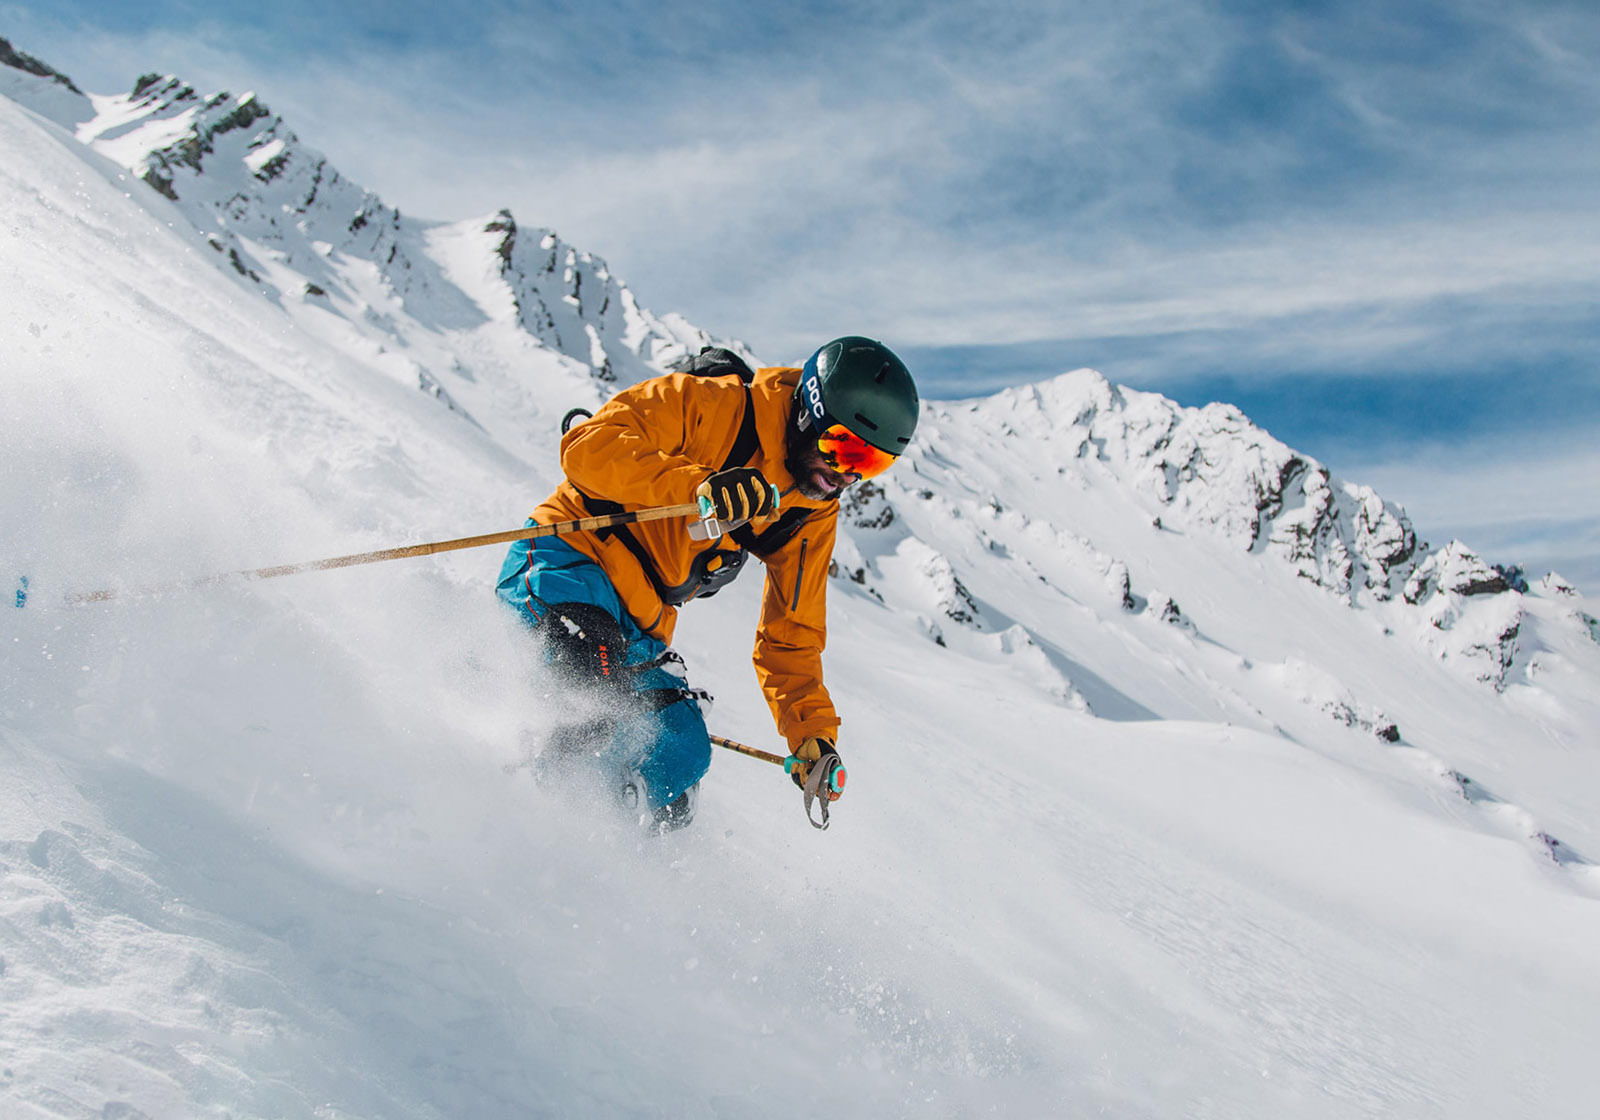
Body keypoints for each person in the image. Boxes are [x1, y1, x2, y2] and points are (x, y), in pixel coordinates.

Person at [495, 336, 920, 830]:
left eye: (870, 464)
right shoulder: (715, 405)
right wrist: (696, 487)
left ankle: (615, 868)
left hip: (641, 628)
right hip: (569, 563)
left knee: (681, 753)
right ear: (810, 410)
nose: (844, 474)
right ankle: (515, 814)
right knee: (590, 690)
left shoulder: (810, 513)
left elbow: (792, 637)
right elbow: (588, 447)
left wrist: (812, 737)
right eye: (841, 447)